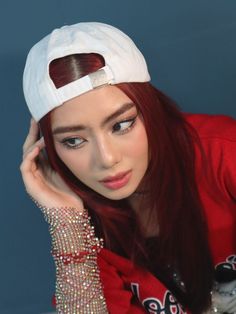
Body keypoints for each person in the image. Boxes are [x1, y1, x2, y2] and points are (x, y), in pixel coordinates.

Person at [20, 22, 236, 314]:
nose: (107, 159)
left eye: (121, 125)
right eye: (73, 140)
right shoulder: (81, 225)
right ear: (49, 149)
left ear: (150, 109)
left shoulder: (223, 150)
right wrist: (66, 224)